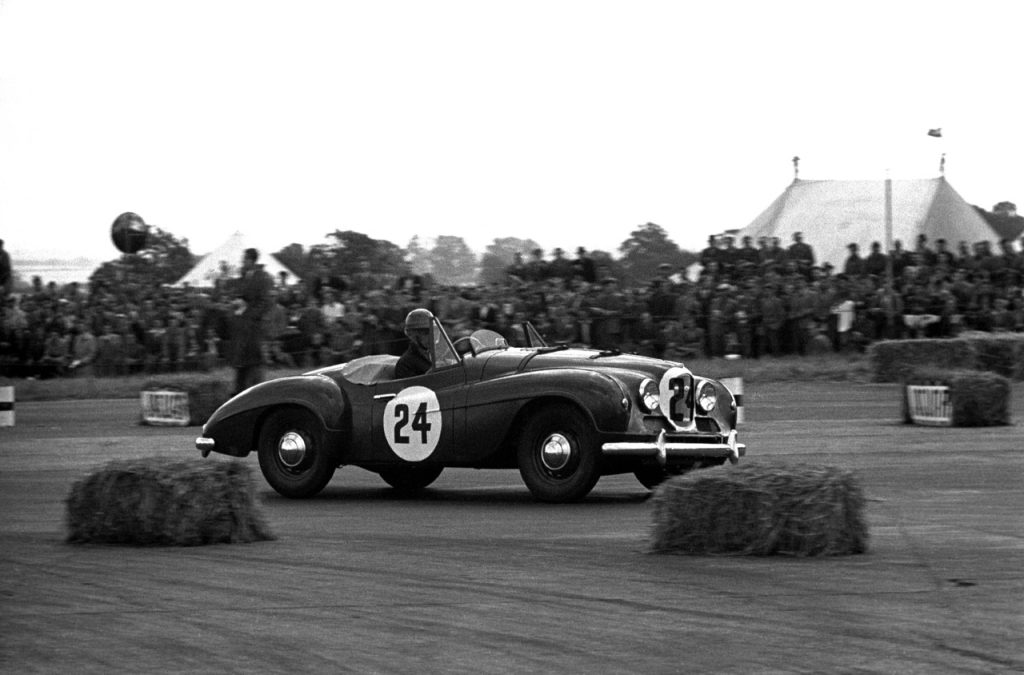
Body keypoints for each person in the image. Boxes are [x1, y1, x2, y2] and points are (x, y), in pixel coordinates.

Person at [229, 247, 273, 394]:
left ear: (251, 260)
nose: (243, 261)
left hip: (254, 326)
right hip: (241, 326)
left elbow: (265, 302)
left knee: (254, 362)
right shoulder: (242, 278)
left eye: (245, 259)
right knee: (241, 362)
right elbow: (239, 297)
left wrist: (250, 314)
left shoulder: (262, 278)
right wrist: (236, 305)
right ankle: (238, 393)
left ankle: (258, 393)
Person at [395, 308, 434, 378]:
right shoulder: (405, 363)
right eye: (426, 333)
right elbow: (410, 387)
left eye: (433, 332)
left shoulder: (439, 354)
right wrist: (428, 376)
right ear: (412, 335)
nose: (431, 337)